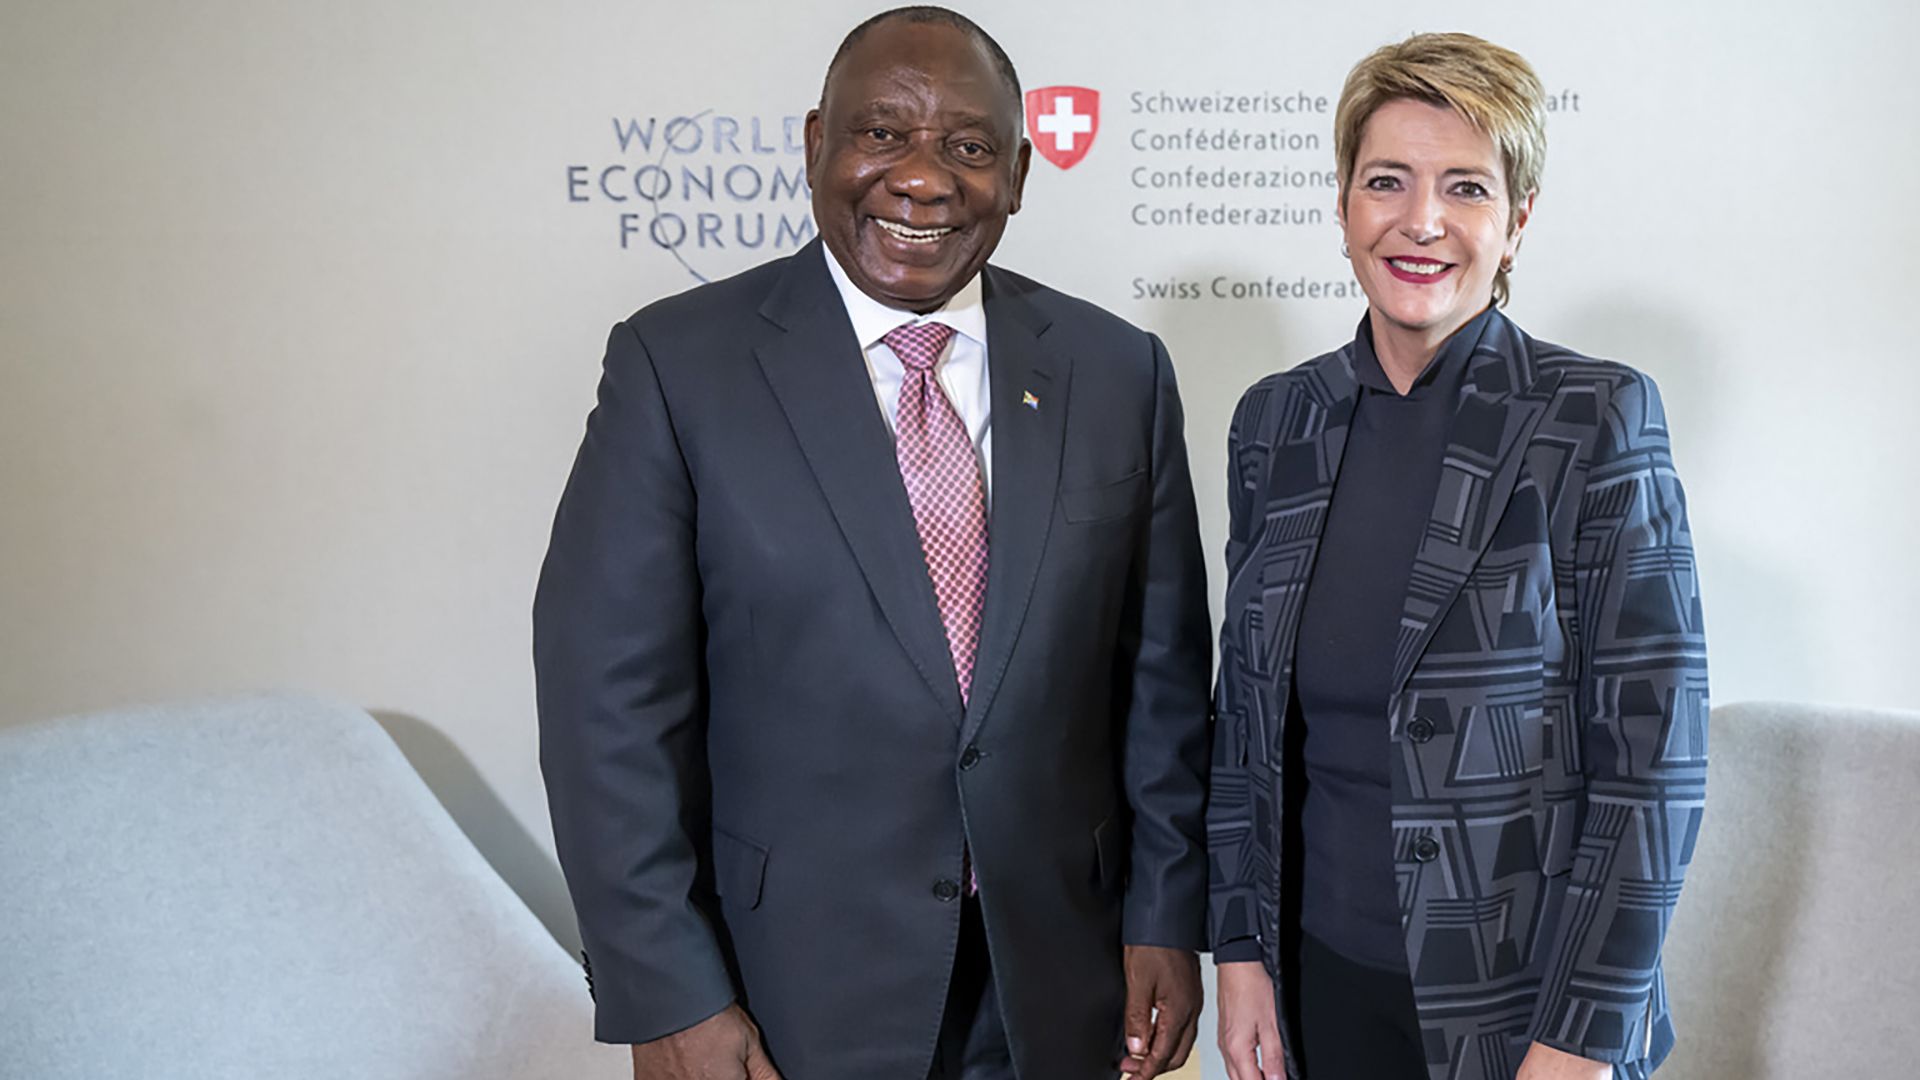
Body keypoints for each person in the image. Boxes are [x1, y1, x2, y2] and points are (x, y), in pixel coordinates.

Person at [533, 8, 1212, 1080]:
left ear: (1019, 175)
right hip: (785, 994)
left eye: (969, 147)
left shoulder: (1119, 371)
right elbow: (606, 712)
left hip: (1056, 986)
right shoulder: (678, 366)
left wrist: (1165, 916)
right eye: (883, 133)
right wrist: (668, 995)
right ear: (817, 145)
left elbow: (1162, 686)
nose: (923, 179)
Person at [1207, 32, 1709, 1080]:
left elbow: (1654, 760)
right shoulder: (1276, 422)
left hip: (1526, 1008)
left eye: (1466, 187)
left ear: (1517, 220)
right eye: (1386, 180)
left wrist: (1580, 1038)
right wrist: (1242, 951)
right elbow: (1243, 721)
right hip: (1317, 986)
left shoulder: (1595, 418)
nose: (1421, 221)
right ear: (1343, 203)